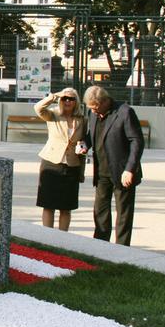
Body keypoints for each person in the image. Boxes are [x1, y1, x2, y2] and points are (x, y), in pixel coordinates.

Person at [79, 86, 144, 246]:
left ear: (105, 101)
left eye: (96, 108)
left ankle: (122, 249)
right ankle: (100, 246)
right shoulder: (93, 113)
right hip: (101, 172)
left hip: (122, 172)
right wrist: (85, 144)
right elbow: (91, 135)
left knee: (123, 214)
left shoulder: (125, 112)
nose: (94, 112)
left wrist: (130, 169)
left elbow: (137, 141)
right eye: (91, 109)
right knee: (100, 211)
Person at [34, 88, 87, 232]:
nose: (68, 101)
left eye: (71, 99)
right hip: (51, 163)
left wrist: (82, 170)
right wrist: (53, 97)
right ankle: (48, 236)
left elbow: (83, 141)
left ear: (76, 101)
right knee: (48, 204)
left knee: (66, 206)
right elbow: (38, 108)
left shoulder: (82, 119)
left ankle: (63, 237)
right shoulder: (53, 114)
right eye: (65, 99)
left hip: (72, 165)